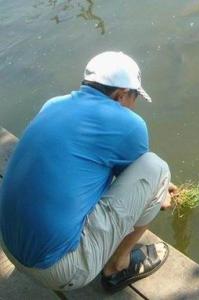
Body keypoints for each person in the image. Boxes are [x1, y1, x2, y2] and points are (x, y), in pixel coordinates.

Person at [0, 51, 176, 292]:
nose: (134, 106)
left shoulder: (53, 104)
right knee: (156, 167)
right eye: (134, 97)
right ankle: (118, 266)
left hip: (8, 244)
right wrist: (160, 191)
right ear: (121, 94)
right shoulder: (130, 124)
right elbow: (138, 176)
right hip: (57, 271)